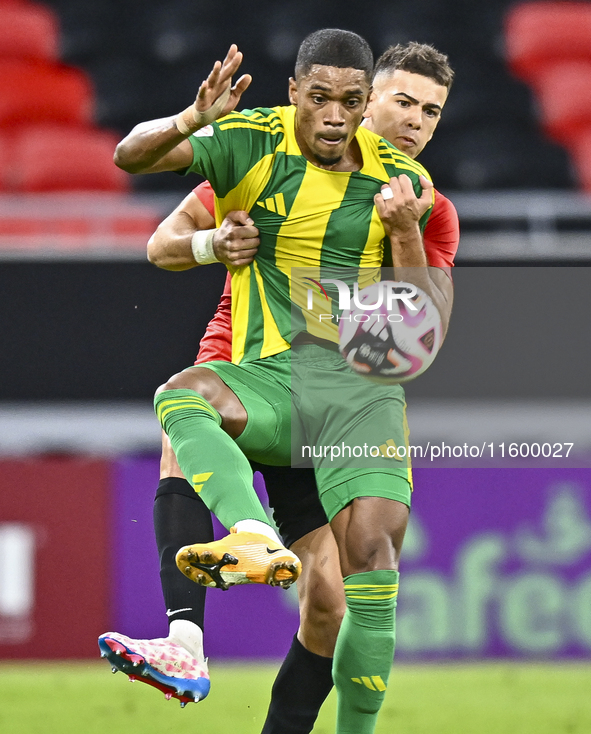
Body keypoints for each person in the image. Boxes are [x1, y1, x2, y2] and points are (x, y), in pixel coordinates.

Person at [102, 31, 454, 734]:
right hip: (249, 367)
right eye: (401, 102)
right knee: (186, 417)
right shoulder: (262, 151)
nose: (414, 121)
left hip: (345, 395)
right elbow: (161, 237)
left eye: (432, 112)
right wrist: (211, 242)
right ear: (365, 99)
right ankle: (186, 641)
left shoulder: (419, 200)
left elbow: (418, 337)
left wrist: (403, 235)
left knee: (333, 597)